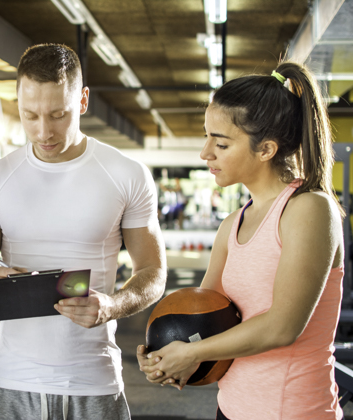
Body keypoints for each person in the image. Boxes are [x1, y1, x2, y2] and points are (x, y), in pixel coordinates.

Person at [0, 43, 167, 419]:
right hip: (11, 381)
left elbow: (153, 271)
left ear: (83, 100)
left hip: (93, 383)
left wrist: (112, 306)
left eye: (58, 115)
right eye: (30, 115)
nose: (44, 131)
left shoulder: (126, 174)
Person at [138, 62, 345, 420]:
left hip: (293, 412)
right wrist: (167, 358)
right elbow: (201, 318)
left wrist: (189, 354)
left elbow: (283, 326)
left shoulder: (309, 209)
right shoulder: (232, 224)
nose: (205, 153)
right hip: (230, 409)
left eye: (220, 142)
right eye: (207, 138)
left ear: (265, 149)